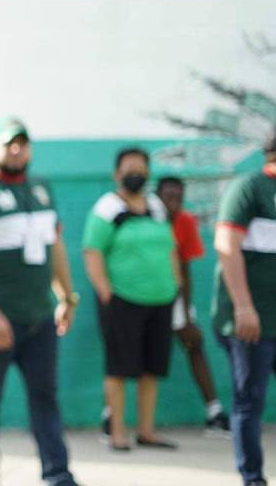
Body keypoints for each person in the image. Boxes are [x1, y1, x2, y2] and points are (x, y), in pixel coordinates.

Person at [0, 117, 82, 486]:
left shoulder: (41, 188)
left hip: (39, 316)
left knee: (45, 395)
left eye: (22, 142)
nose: (16, 149)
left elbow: (55, 247)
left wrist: (66, 297)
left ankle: (57, 473)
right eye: (8, 143)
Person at [82, 148, 179, 451]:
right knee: (119, 368)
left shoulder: (156, 207)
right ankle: (117, 433)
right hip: (122, 300)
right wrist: (105, 292)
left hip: (160, 299)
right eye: (129, 168)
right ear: (117, 174)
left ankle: (146, 431)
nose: (135, 174)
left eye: (141, 168)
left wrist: (174, 283)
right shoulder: (107, 208)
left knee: (152, 369)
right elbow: (92, 250)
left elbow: (170, 247)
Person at [213, 122, 276, 486]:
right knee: (250, 401)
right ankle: (253, 478)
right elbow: (227, 246)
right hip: (252, 321)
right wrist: (243, 307)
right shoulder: (250, 188)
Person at [158, 176, 231, 434]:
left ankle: (214, 411)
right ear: (158, 197)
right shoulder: (146, 219)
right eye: (169, 197)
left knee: (194, 343)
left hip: (174, 296)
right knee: (133, 355)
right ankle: (111, 416)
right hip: (142, 297)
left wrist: (185, 315)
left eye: (179, 198)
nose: (174, 203)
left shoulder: (185, 221)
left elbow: (185, 270)